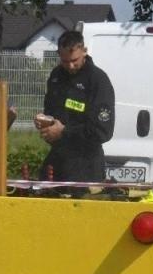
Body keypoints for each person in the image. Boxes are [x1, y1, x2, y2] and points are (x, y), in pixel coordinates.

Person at [35, 30, 115, 183]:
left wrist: (64, 131)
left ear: (84, 51)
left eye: (75, 60)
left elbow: (102, 131)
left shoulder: (97, 80)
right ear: (59, 54)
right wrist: (45, 122)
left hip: (86, 165)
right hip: (59, 160)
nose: (70, 66)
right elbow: (52, 111)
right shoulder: (57, 76)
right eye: (65, 61)